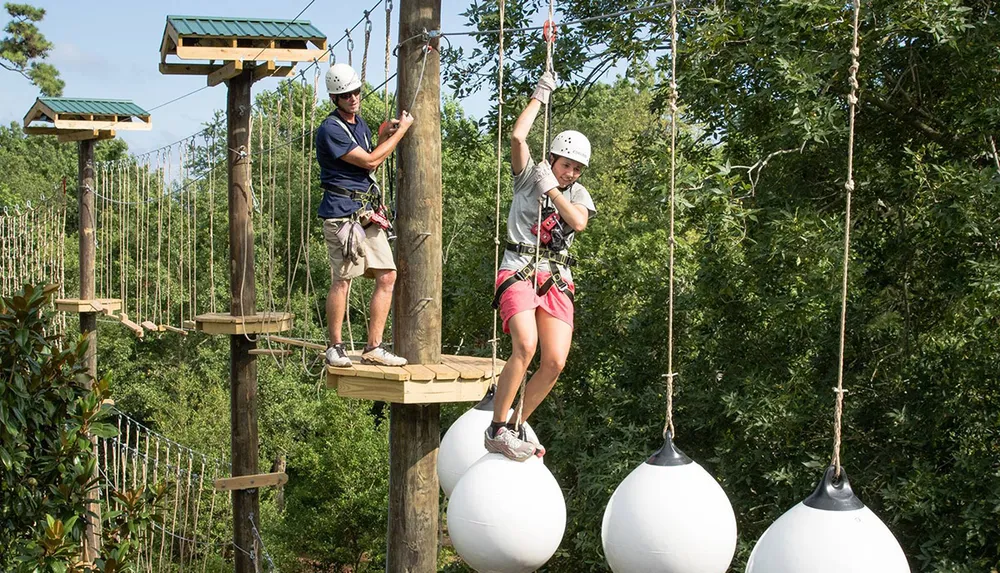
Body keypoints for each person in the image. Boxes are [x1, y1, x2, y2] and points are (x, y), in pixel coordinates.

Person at [484, 71, 596, 461]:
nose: (571, 173)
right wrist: (540, 95)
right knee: (526, 345)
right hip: (518, 266)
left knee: (555, 361)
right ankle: (497, 427)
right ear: (553, 158)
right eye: (566, 165)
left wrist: (554, 189)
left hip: (556, 277)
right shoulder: (529, 176)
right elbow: (517, 137)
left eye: (577, 169)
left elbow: (578, 221)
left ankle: (516, 423)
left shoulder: (576, 192)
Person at [316, 63, 414, 367]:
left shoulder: (358, 123)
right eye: (346, 95)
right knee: (343, 278)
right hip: (341, 214)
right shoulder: (330, 129)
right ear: (335, 99)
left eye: (356, 92)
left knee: (388, 274)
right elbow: (371, 162)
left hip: (365, 212)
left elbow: (369, 152)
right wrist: (401, 134)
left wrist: (384, 134)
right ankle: (335, 346)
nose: (354, 98)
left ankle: (373, 347)